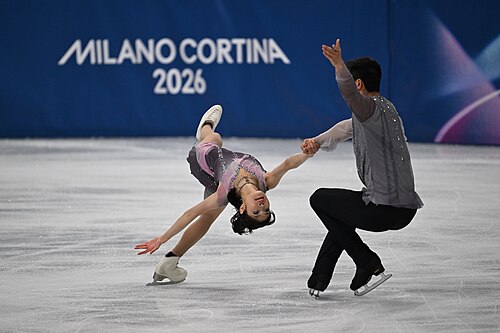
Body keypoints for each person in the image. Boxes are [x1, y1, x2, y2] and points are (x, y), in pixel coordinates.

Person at [135, 104, 313, 285]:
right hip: (219, 177)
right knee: (208, 217)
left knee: (215, 138)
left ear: (243, 208)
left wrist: (161, 238)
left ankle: (206, 124)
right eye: (266, 210)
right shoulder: (267, 181)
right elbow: (288, 164)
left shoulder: (222, 194)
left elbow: (190, 213)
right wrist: (308, 153)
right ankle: (170, 261)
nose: (261, 207)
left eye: (256, 212)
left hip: (202, 160)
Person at [302, 39, 424, 298]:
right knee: (340, 214)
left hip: (384, 209)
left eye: (353, 83)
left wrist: (338, 65)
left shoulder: (367, 108)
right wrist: (316, 142)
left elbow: (348, 93)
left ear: (359, 84)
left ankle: (367, 261)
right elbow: (343, 128)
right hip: (404, 210)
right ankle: (320, 278)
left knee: (320, 199)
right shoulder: (385, 110)